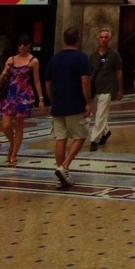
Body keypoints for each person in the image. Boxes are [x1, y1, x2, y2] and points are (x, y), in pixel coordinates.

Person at [45, 27, 91, 188]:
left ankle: (61, 174)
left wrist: (52, 99)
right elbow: (85, 80)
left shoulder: (54, 58)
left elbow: (48, 82)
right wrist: (87, 101)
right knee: (81, 135)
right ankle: (64, 167)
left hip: (58, 104)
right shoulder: (81, 57)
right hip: (74, 104)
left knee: (60, 138)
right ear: (78, 39)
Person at [0, 35, 45, 166]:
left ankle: (13, 154)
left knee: (19, 126)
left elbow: (36, 81)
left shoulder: (33, 61)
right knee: (6, 126)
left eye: (24, 44)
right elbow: (0, 80)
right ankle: (12, 144)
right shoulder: (11, 59)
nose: (22, 46)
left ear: (29, 45)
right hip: (10, 95)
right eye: (20, 44)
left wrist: (40, 98)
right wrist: (6, 70)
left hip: (24, 96)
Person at [88, 27, 123, 151]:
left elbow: (119, 72)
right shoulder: (93, 55)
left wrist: (119, 89)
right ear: (97, 39)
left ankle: (94, 140)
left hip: (107, 88)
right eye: (101, 37)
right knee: (95, 114)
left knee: (101, 115)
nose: (103, 39)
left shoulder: (114, 55)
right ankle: (106, 131)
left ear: (109, 39)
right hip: (94, 89)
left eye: (106, 37)